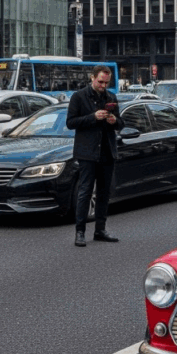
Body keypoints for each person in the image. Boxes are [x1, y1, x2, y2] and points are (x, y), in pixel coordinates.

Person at [66, 65, 124, 247]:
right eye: (100, 82)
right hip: (88, 153)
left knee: (104, 193)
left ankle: (100, 230)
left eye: (106, 83)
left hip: (107, 151)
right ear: (92, 78)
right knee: (85, 192)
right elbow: (70, 123)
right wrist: (93, 117)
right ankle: (80, 232)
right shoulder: (79, 96)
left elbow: (121, 123)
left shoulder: (111, 97)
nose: (103, 86)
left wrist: (114, 121)